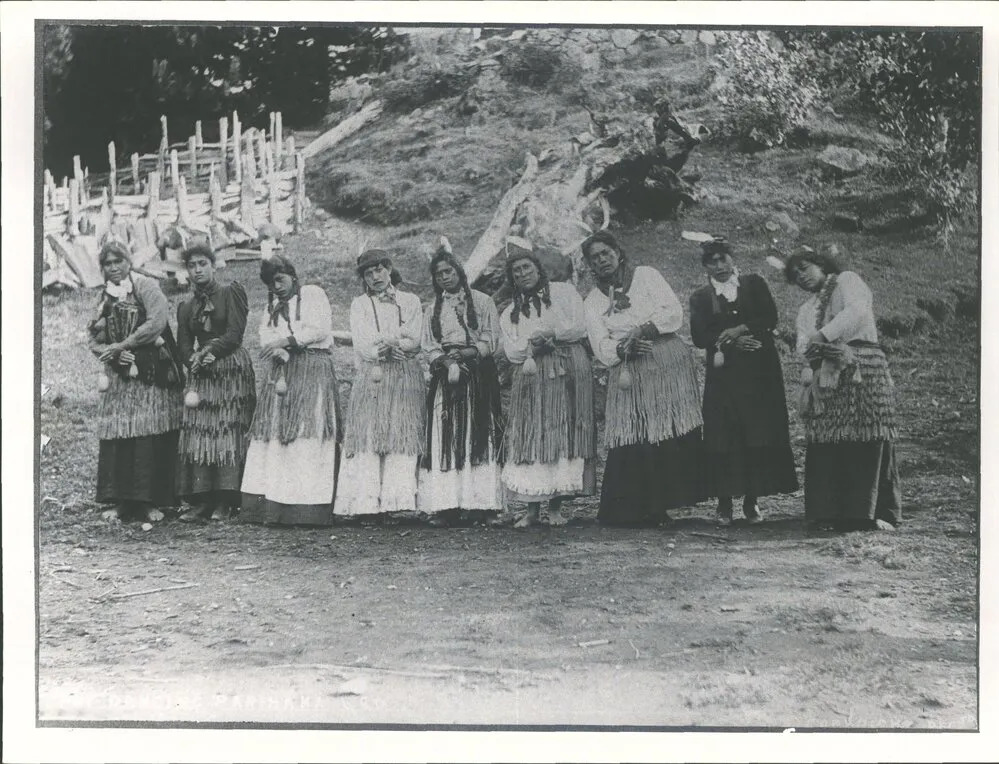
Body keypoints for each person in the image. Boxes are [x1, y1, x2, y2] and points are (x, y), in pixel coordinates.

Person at [582, 231, 706, 527]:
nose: (602, 261)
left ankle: (664, 504)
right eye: (594, 258)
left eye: (606, 253)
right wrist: (624, 347)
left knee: (664, 430)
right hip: (628, 369)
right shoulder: (592, 301)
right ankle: (634, 507)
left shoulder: (646, 275)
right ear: (589, 266)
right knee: (634, 433)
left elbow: (673, 311)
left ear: (618, 252)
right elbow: (600, 346)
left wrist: (646, 329)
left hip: (664, 361)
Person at [785, 247, 901, 531]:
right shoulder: (806, 309)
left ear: (821, 264)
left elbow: (857, 311)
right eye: (795, 274)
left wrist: (823, 336)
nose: (801, 276)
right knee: (829, 438)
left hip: (862, 366)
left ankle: (869, 513)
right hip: (825, 375)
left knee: (867, 433)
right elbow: (803, 343)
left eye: (805, 267)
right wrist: (814, 352)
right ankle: (831, 513)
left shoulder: (847, 281)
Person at [689, 238, 799, 526]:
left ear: (732, 259)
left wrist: (742, 328)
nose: (719, 266)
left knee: (757, 430)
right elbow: (700, 336)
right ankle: (725, 502)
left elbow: (770, 317)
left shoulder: (753, 284)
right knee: (724, 432)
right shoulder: (701, 297)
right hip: (724, 375)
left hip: (760, 371)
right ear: (705, 266)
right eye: (712, 261)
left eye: (723, 259)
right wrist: (730, 342)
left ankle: (752, 500)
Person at [499, 242, 596, 528]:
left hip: (567, 368)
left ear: (537, 268)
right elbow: (512, 350)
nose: (522, 274)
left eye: (526, 267)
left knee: (561, 432)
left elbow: (579, 326)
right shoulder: (510, 312)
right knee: (532, 434)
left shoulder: (564, 292)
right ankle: (531, 510)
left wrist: (552, 333)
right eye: (516, 271)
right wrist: (532, 344)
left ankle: (555, 508)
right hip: (531, 374)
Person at [240, 254, 342, 526]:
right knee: (278, 432)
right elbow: (264, 334)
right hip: (283, 371)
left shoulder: (312, 294)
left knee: (307, 430)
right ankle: (273, 505)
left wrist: (287, 341)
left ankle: (306, 508)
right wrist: (278, 350)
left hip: (311, 368)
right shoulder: (273, 305)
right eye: (272, 283)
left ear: (292, 275)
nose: (278, 287)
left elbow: (319, 329)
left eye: (281, 279)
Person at [88, 239, 185, 522]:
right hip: (120, 374)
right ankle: (121, 501)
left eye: (119, 261)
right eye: (108, 263)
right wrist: (111, 354)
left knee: (147, 429)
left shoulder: (145, 286)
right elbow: (92, 337)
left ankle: (150, 502)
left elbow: (157, 321)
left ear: (129, 262)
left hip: (151, 371)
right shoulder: (104, 297)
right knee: (120, 431)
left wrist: (125, 344)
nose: (114, 268)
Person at [335, 250, 425, 520]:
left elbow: (415, 336)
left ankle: (397, 503)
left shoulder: (410, 300)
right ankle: (366, 504)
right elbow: (362, 341)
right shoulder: (359, 304)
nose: (375, 277)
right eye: (368, 273)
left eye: (379, 270)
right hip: (372, 373)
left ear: (389, 269)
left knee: (400, 431)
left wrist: (398, 345)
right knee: (370, 433)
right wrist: (383, 349)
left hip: (403, 372)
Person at [419, 246, 505, 526]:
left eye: (449, 271)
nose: (444, 277)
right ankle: (447, 506)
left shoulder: (482, 301)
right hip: (447, 376)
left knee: (479, 434)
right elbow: (428, 345)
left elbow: (492, 338)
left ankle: (482, 505)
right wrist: (444, 361)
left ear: (459, 272)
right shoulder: (432, 309)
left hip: (478, 373)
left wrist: (468, 354)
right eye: (439, 274)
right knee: (446, 435)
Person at [175, 243, 257, 522]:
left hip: (230, 369)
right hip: (202, 375)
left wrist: (211, 352)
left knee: (227, 431)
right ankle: (202, 500)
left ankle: (226, 500)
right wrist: (193, 361)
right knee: (200, 433)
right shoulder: (186, 307)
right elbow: (183, 346)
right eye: (192, 266)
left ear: (213, 265)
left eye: (202, 264)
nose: (197, 270)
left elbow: (235, 333)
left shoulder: (229, 293)